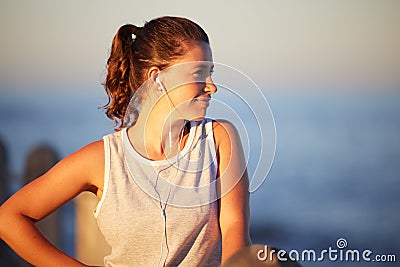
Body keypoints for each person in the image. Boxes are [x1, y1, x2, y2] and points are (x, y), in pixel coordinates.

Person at [0, 16, 251, 266]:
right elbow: (9, 218)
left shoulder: (219, 139)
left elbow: (234, 226)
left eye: (210, 73)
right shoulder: (104, 160)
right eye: (199, 73)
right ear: (157, 78)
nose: (212, 87)